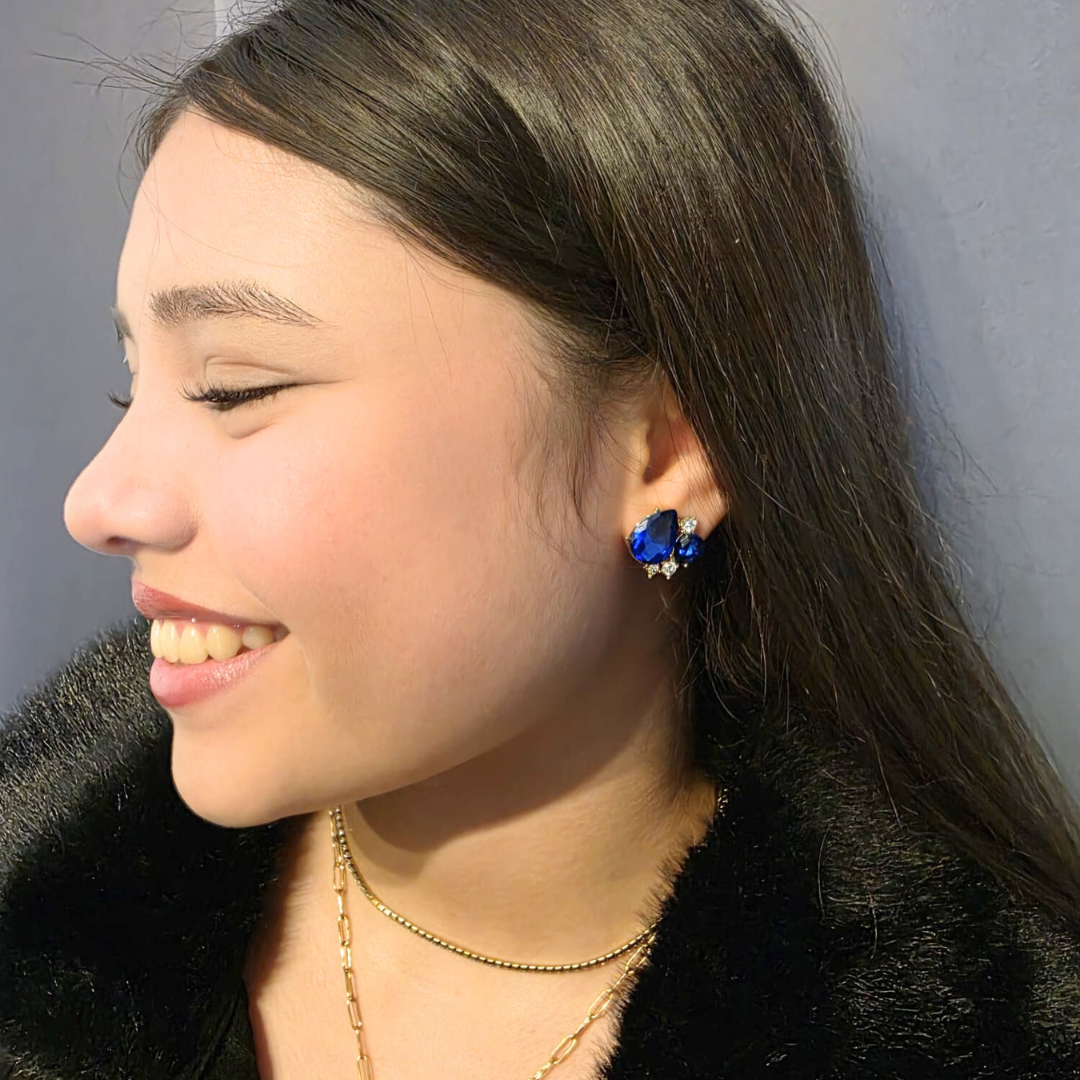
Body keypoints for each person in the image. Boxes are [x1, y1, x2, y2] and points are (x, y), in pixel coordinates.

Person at [2, 0, 1080, 1076]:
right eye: (130, 384)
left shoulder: (974, 1031)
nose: (99, 502)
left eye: (236, 386)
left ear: (665, 456)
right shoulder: (35, 889)